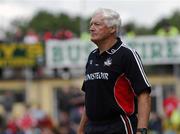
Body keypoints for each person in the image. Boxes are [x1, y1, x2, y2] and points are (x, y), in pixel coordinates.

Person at [78, 8, 151, 134]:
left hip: (119, 126)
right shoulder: (91, 56)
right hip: (92, 128)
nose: (91, 28)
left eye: (97, 24)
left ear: (112, 29)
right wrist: (81, 129)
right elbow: (89, 99)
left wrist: (141, 130)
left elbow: (144, 94)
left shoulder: (126, 55)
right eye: (91, 24)